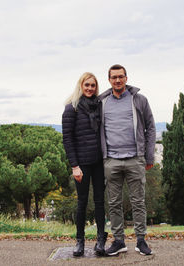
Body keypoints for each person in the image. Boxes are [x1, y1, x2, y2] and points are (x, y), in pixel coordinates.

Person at [99, 64, 156, 256]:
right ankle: (119, 241)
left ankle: (141, 240)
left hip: (135, 159)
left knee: (138, 201)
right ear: (109, 80)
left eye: (120, 77)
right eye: (114, 77)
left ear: (126, 78)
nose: (117, 80)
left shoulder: (139, 100)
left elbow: (151, 128)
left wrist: (149, 156)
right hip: (111, 161)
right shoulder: (102, 103)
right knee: (114, 203)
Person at [62, 72, 108, 257]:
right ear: (80, 86)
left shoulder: (99, 106)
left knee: (99, 202)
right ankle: (79, 240)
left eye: (93, 85)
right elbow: (67, 139)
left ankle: (100, 240)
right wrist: (74, 165)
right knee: (82, 203)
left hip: (98, 162)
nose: (90, 88)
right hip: (81, 163)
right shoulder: (71, 108)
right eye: (86, 85)